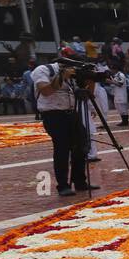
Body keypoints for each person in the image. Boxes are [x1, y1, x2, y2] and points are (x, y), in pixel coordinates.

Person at [32, 58, 97, 196]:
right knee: (62, 148)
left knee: (82, 145)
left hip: (72, 113)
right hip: (53, 115)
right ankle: (63, 185)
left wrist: (91, 79)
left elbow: (87, 96)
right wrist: (62, 76)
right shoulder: (43, 70)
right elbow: (46, 91)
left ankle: (80, 182)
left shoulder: (73, 75)